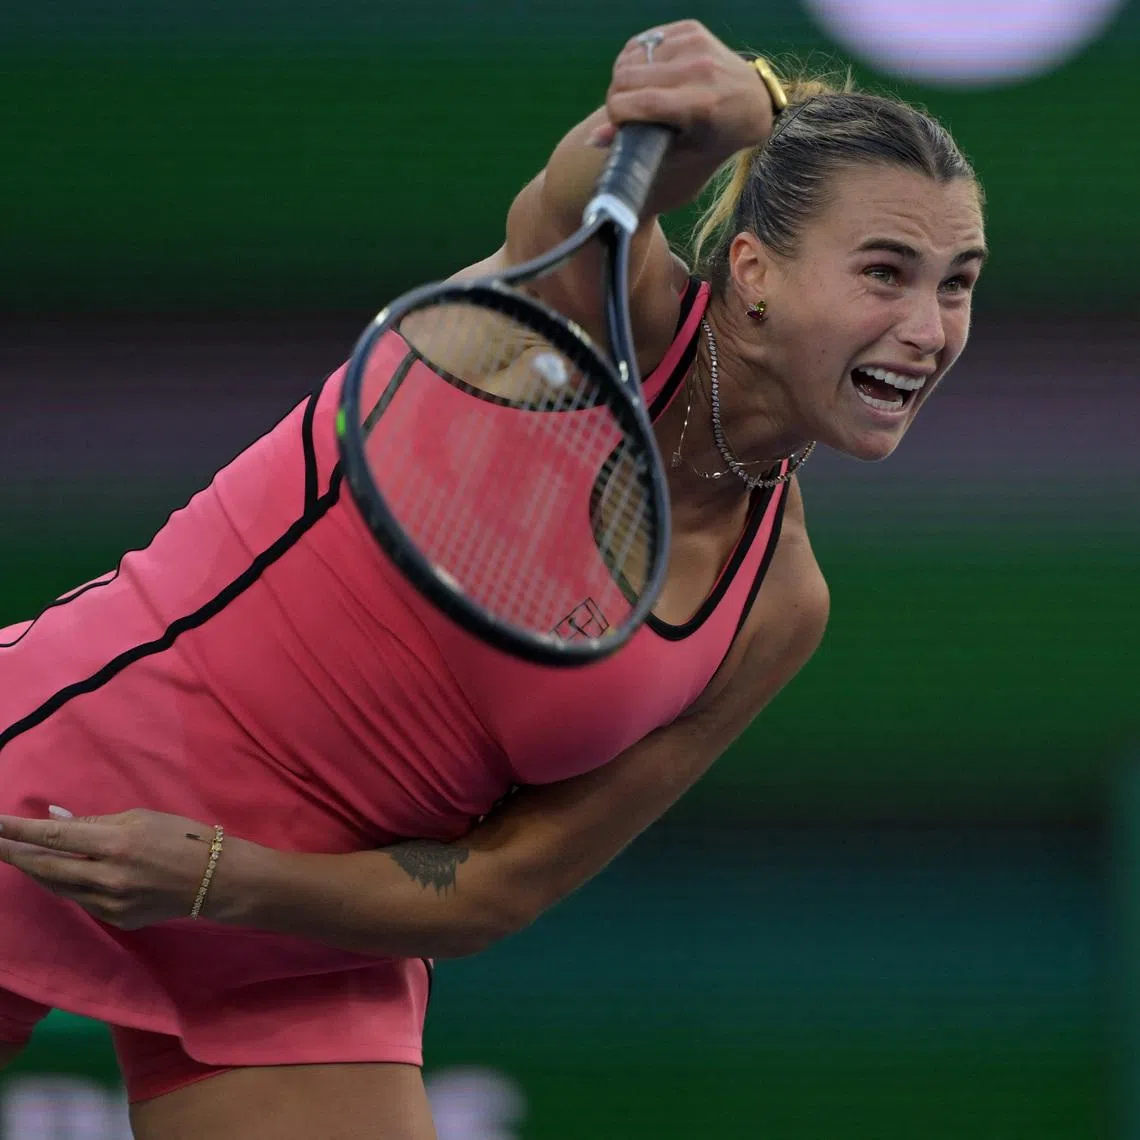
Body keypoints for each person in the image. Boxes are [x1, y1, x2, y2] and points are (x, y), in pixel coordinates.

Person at [0, 20, 986, 1140]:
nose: (929, 329)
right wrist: (736, 106)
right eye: (885, 274)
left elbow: (497, 885)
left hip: (302, 925)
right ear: (754, 272)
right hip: (70, 761)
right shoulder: (565, 314)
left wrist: (218, 878)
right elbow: (582, 188)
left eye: (957, 284)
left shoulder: (778, 602)